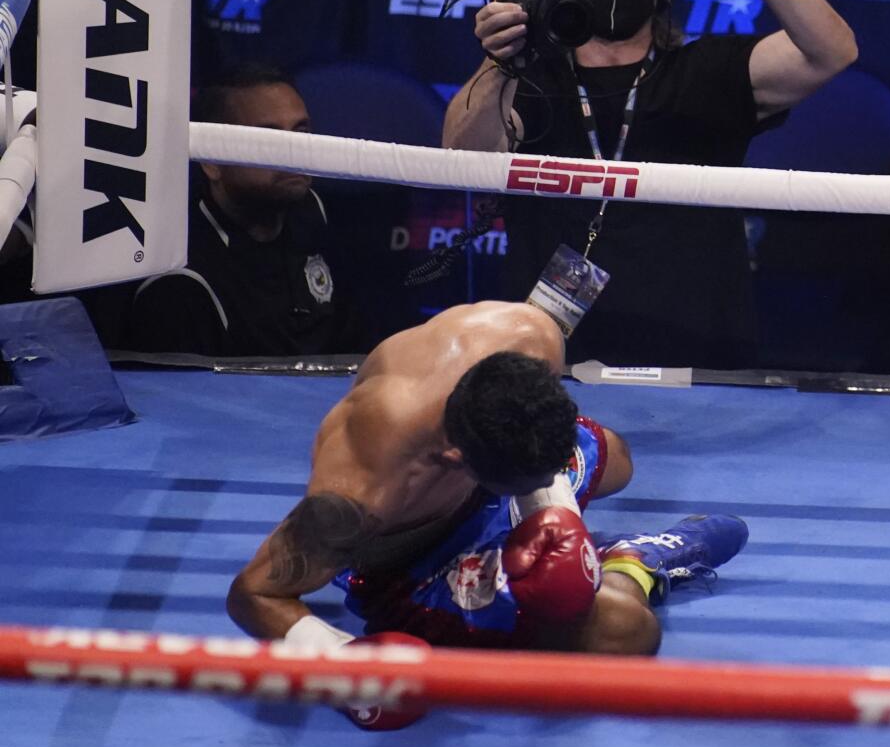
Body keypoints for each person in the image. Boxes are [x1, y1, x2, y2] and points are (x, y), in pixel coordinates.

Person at [227, 300, 746, 723]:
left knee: (620, 459)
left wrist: (550, 509)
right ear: (456, 459)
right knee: (626, 633)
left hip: (502, 457)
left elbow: (541, 451)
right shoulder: (360, 488)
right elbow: (253, 592)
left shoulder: (528, 334)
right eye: (532, 483)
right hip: (413, 559)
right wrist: (339, 661)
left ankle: (584, 544)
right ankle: (633, 561)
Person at [443, 0, 857, 367]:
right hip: (551, 359)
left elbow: (833, 52)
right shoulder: (528, 76)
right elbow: (461, 155)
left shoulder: (709, 70)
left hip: (696, 354)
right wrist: (501, 60)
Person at [118, 67, 357, 358]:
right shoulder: (183, 283)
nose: (294, 153)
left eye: (301, 132)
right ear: (211, 162)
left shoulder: (310, 209)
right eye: (270, 141)